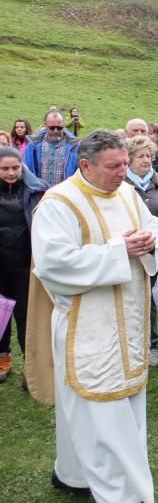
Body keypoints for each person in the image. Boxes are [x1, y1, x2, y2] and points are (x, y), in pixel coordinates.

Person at [28, 129, 158, 501]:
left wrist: (152, 241)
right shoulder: (59, 204)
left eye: (124, 163)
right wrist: (120, 251)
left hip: (129, 323)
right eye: (113, 166)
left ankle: (72, 472)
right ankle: (127, 495)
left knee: (116, 408)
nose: (123, 172)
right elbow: (54, 264)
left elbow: (152, 224)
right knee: (101, 412)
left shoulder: (126, 193)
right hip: (85, 325)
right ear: (85, 165)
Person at [123, 136, 158, 369]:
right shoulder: (121, 186)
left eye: (149, 156)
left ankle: (151, 346)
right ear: (129, 159)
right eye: (141, 156)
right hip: (128, 251)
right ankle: (128, 343)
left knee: (152, 295)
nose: (146, 160)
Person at [0, 147, 47, 384]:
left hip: (25, 266)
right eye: (5, 168)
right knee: (0, 315)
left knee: (26, 318)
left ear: (22, 167)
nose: (10, 173)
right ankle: (3, 359)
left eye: (15, 168)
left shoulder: (35, 192)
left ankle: (32, 368)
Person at [24, 110, 80, 185]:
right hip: (39, 194)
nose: (56, 131)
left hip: (64, 194)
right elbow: (27, 171)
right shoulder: (33, 145)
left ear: (64, 125)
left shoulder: (74, 147)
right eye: (52, 128)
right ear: (45, 125)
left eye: (59, 128)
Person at [124, 119, 158, 185]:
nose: (139, 133)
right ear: (126, 132)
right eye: (135, 130)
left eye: (143, 131)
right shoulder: (118, 154)